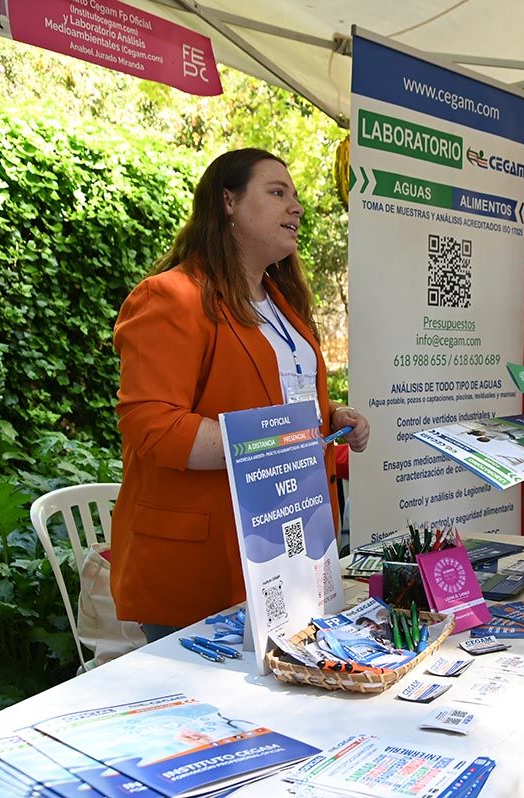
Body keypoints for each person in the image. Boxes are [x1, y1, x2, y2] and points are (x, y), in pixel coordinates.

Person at [111, 149, 370, 642]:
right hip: (204, 564)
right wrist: (282, 443)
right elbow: (154, 426)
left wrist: (330, 416)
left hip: (290, 549)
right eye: (277, 193)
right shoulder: (172, 296)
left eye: (295, 197)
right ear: (227, 202)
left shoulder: (283, 304)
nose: (295, 207)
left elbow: (268, 401)